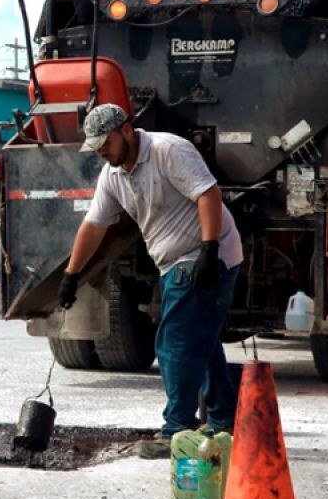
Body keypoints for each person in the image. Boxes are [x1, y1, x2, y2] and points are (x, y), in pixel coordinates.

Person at [57, 103, 243, 459]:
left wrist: (207, 249)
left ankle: (177, 430)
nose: (101, 151)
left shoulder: (167, 150)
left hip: (205, 256)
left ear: (127, 129)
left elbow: (209, 194)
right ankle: (224, 422)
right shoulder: (112, 174)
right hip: (173, 261)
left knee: (174, 345)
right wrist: (71, 274)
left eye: (105, 142)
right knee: (199, 342)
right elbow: (94, 226)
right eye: (95, 146)